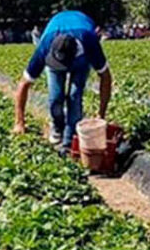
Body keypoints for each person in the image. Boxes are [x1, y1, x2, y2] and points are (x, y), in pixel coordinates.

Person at [14, 10, 113, 152]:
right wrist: (19, 122)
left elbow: (105, 76)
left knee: (75, 95)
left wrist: (101, 116)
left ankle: (70, 137)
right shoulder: (45, 46)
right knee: (55, 97)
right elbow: (23, 84)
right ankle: (57, 127)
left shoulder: (89, 42)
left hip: (81, 60)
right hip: (56, 35)